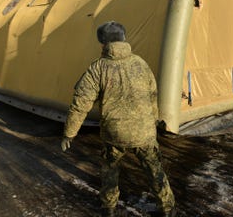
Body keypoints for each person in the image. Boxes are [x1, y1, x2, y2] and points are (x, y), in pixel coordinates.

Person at [61, 21, 175, 217]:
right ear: (124, 39)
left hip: (114, 135)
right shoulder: (141, 63)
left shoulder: (97, 69)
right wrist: (153, 122)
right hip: (144, 133)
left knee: (110, 172)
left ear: (103, 44)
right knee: (154, 170)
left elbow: (80, 105)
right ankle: (168, 208)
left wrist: (69, 134)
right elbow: (152, 95)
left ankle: (109, 208)